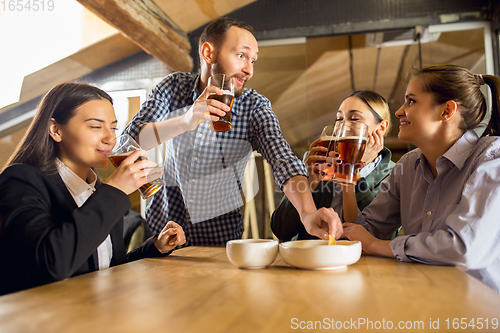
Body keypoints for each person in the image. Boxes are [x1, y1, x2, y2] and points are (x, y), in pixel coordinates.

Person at [123, 17, 341, 246]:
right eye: (241, 56)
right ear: (208, 53)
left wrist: (307, 213)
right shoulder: (173, 88)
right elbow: (130, 139)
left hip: (219, 240)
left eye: (253, 60)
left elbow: (282, 158)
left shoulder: (254, 106)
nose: (249, 70)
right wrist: (186, 120)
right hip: (162, 234)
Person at [0, 82, 186, 296]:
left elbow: (102, 267)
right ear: (56, 129)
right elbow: (52, 264)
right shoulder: (20, 181)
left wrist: (155, 247)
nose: (110, 138)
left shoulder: (96, 189)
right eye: (96, 126)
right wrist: (115, 190)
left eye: (114, 127)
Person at [341, 64, 500, 292]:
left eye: (411, 101)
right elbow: (364, 232)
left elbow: (462, 248)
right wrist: (348, 178)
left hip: (481, 310)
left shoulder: (492, 158)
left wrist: (379, 245)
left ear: (446, 111)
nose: (398, 111)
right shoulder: (408, 164)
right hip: (424, 296)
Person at [271, 90, 395, 241]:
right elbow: (280, 229)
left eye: (355, 118)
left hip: (365, 262)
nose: (343, 126)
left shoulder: (394, 174)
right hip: (313, 258)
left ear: (381, 128)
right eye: (339, 119)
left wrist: (353, 173)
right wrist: (308, 183)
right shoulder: (318, 162)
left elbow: (382, 235)